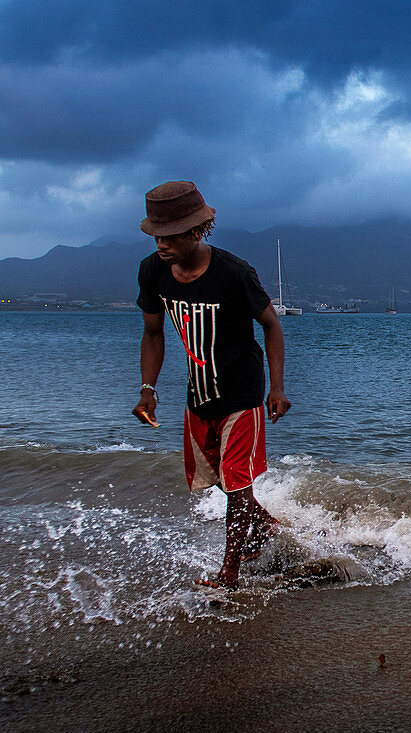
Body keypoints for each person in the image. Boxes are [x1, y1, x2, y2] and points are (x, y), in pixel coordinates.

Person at [132, 181, 291, 589]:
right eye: (157, 236)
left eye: (170, 236)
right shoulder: (152, 272)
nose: (162, 244)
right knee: (222, 480)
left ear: (198, 231)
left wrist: (276, 389)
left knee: (236, 480)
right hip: (198, 393)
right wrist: (148, 389)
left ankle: (230, 573)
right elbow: (153, 334)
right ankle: (266, 526)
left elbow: (271, 325)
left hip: (241, 390)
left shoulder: (233, 273)